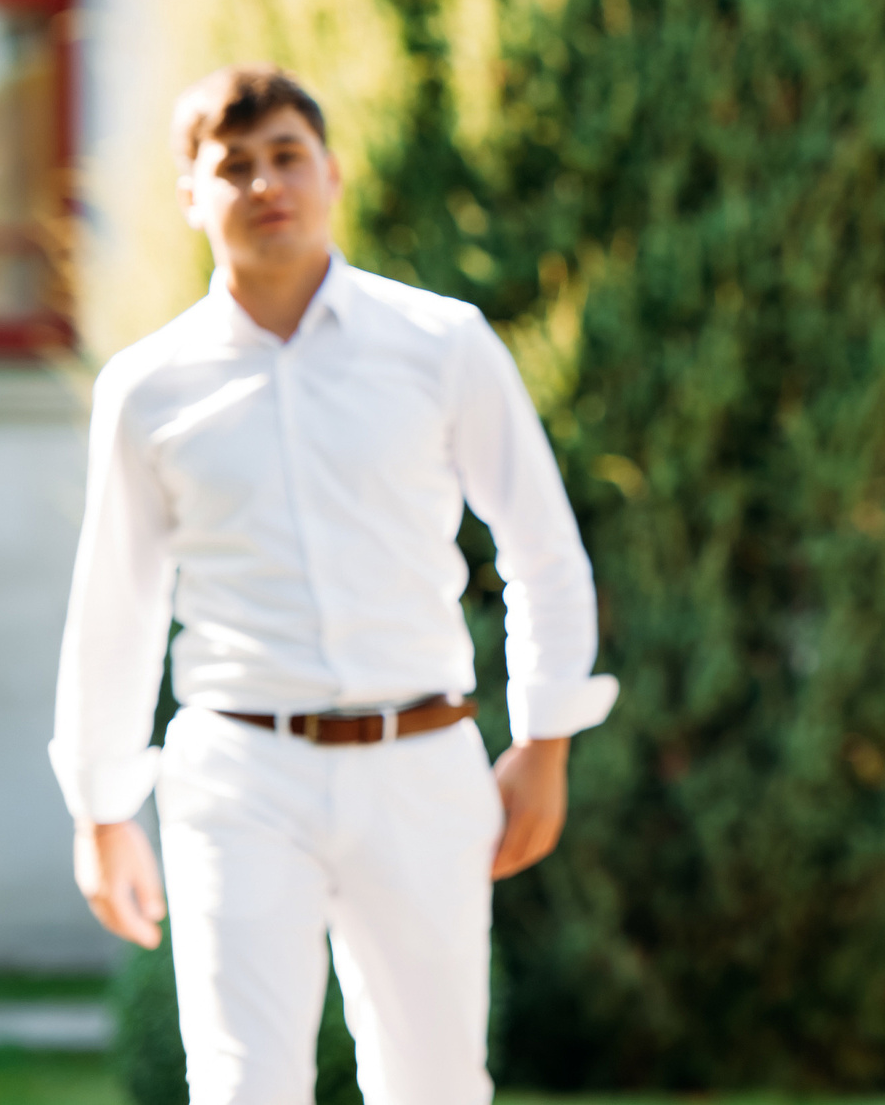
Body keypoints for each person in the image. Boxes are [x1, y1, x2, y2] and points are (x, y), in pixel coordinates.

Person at [50, 65, 618, 1105]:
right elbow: (113, 607)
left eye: (285, 157)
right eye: (233, 166)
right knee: (242, 1082)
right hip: (237, 767)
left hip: (423, 762)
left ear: (330, 173)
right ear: (192, 195)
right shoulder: (147, 385)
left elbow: (543, 547)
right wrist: (99, 805)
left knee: (437, 1081)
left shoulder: (441, 344)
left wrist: (543, 740)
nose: (265, 184)